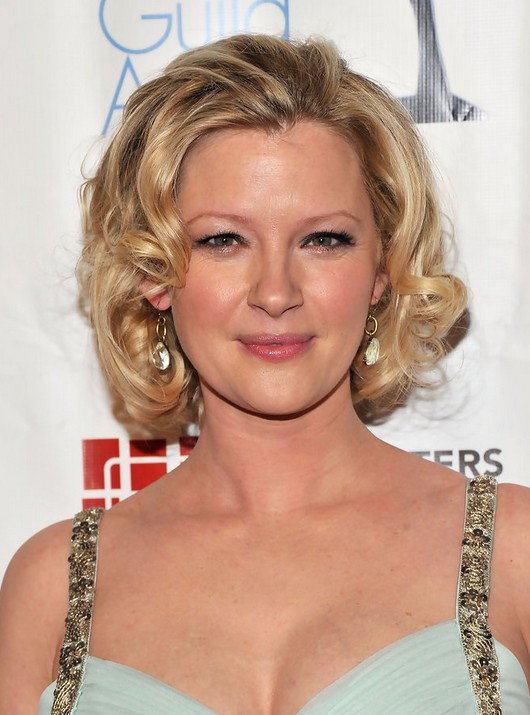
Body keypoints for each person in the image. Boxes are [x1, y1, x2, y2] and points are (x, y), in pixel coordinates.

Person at [0, 33, 529, 715]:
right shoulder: (53, 588)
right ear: (153, 272)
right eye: (224, 240)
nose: (276, 292)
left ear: (383, 269)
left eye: (323, 239)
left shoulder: (512, 551)